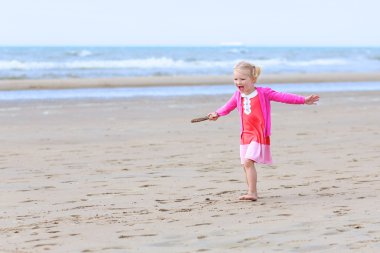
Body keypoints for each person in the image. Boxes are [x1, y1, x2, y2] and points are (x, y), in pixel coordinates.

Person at [208, 61, 320, 201]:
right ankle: (251, 191)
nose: (238, 82)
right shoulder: (237, 95)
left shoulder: (263, 93)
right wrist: (217, 114)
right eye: (235, 79)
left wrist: (303, 100)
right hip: (246, 135)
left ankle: (252, 193)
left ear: (253, 79)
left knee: (248, 162)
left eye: (242, 79)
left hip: (258, 133)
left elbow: (283, 97)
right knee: (245, 165)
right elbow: (227, 107)